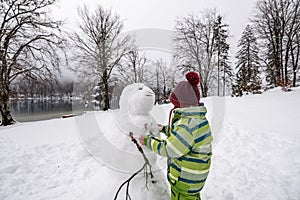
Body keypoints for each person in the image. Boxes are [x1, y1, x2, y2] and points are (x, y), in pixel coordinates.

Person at [139, 71, 213, 200]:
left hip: (184, 180)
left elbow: (171, 148)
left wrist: (148, 141)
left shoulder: (187, 124)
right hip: (194, 177)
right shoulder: (197, 119)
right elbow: (184, 139)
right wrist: (165, 129)